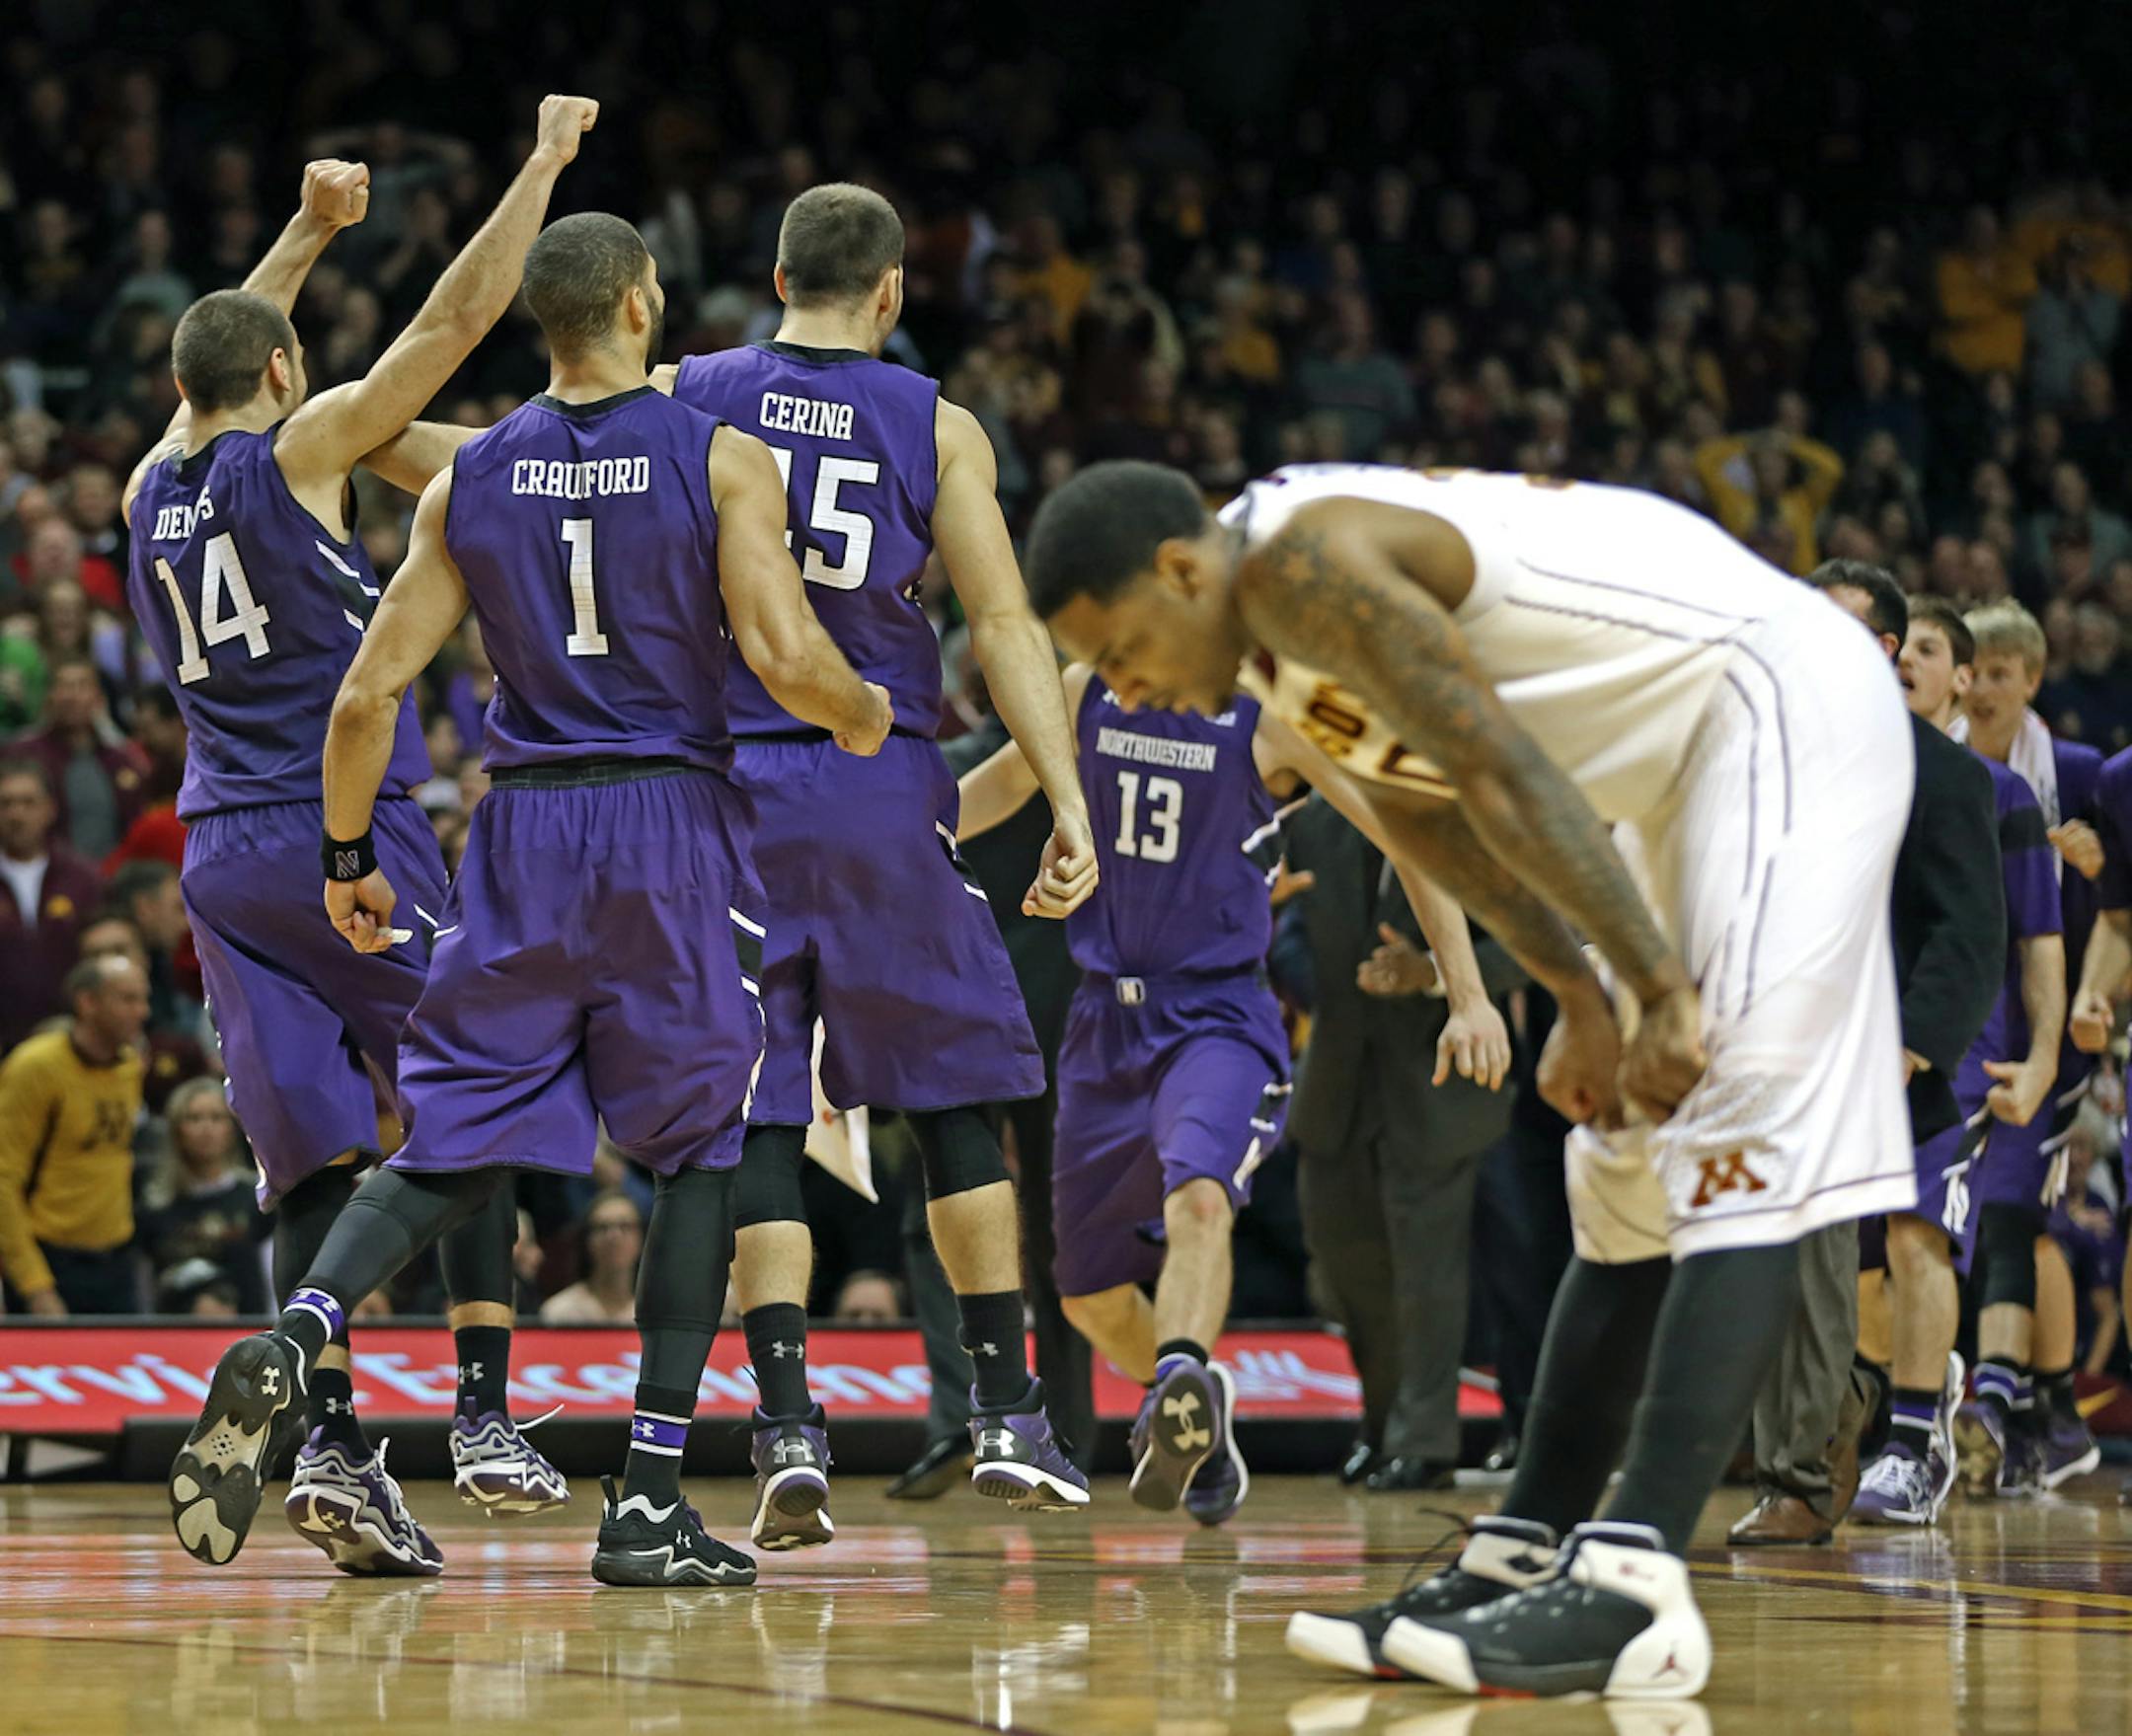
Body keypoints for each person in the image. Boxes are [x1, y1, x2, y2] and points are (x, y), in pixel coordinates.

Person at [1025, 459, 1915, 1701]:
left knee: (1730, 1114)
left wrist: (1646, 991)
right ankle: (1520, 1552)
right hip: (1662, 775)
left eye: (1121, 651)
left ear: (1183, 571)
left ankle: (1636, 1585)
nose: (1119, 687)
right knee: (1620, 1178)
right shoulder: (1270, 650)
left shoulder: (1301, 567)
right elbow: (1429, 816)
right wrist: (1578, 993)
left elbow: (1496, 765)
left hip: (1778, 699)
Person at [167, 207, 887, 1591]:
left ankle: (302, 1328)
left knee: (446, 1133)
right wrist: (861, 713)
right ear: (635, 307)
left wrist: (344, 859)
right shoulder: (719, 454)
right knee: (696, 1153)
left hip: (517, 828)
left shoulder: (468, 477)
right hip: (669, 822)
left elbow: (371, 691)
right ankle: (651, 1497)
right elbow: (788, 651)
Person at [132, 116, 601, 1573]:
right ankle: (479, 1416)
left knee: (310, 1160)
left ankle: (333, 1453)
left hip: (216, 852)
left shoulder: (151, 479)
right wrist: (536, 173)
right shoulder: (306, 442)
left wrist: (307, 229)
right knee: (483, 1085)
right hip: (346, 830)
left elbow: (217, 359)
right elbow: (456, 321)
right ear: (281, 376)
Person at [653, 182, 1101, 1540]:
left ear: (775, 273)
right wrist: (1065, 801)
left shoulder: (690, 387)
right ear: (893, 292)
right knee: (954, 1099)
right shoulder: (936, 420)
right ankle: (1007, 1413)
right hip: (878, 771)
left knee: (759, 1117)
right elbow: (1005, 618)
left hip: (725, 781)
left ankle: (786, 1417)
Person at [1735, 574, 2003, 1542]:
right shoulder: (1760, 759)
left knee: (1826, 1257)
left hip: (1870, 1056)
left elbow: (1969, 935)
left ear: (1889, 650)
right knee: (1760, 1259)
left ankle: (1803, 1475)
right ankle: (1839, 1404)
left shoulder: (1945, 776)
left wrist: (1911, 1047)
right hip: (1753, 1041)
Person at [1277, 793, 1520, 1492]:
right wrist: (1312, 981)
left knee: (1428, 1271)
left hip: (1438, 1072)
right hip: (1336, 1073)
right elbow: (1292, 926)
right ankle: (1380, 1422)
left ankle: (1425, 1439)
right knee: (1342, 1261)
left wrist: (1434, 975)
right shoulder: (1316, 819)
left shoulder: (1470, 816)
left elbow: (1537, 946)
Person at [1949, 599, 2103, 1493]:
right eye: (1976, 673)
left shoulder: (2078, 774)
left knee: (2011, 1207)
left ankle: (1997, 1398)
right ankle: (2057, 1413)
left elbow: (2118, 914)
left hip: (2064, 1020)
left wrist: (2094, 870)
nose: (1984, 691)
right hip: (1977, 1013)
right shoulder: (1951, 770)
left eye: (2002, 674)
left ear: (2032, 680)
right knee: (2024, 1223)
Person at [0, 955, 150, 1315]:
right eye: (127, 999)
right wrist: (35, 1286)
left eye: (144, 999)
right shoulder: (36, 1067)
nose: (142, 1011)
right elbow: (4, 1180)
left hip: (116, 1262)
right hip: (53, 1261)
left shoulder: (129, 1066)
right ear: (87, 1002)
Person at [138, 1076, 271, 1316]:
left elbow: (271, 1276)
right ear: (176, 1129)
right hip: (170, 1334)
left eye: (216, 1118)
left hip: (249, 1329)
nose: (206, 1129)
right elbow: (144, 1285)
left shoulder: (259, 1198)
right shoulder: (154, 1204)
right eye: (194, 1118)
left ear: (232, 1128)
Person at [0, 759, 102, 1052]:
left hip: (72, 1041)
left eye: (28, 803)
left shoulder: (83, 880)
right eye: (5, 803)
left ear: (50, 810)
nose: (16, 814)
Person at [10, 657, 150, 859]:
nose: (71, 696)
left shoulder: (123, 760)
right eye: (63, 686)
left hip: (115, 877)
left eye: (82, 686)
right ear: (49, 697)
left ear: (100, 699)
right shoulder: (21, 755)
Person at [539, 1190, 644, 1325]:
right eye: (602, 1228)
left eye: (625, 1226)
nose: (614, 1237)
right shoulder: (559, 1312)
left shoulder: (656, 1314)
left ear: (641, 1238)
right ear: (586, 1240)